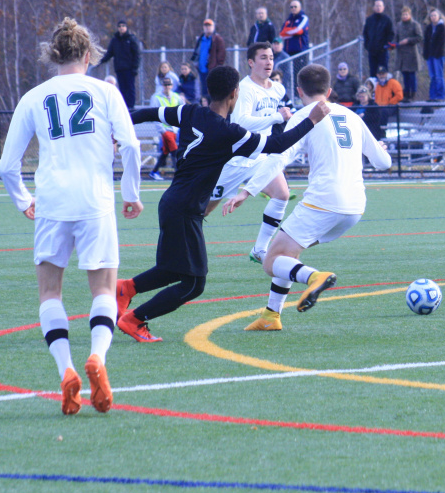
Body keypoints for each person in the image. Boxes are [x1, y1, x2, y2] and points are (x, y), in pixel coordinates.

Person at [115, 66, 330, 342]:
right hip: (184, 209)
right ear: (234, 94)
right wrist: (311, 120)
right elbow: (276, 144)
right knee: (194, 283)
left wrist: (117, 128)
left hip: (174, 203)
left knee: (174, 269)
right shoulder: (230, 133)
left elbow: (147, 113)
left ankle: (126, 289)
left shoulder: (189, 111)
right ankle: (135, 320)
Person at [0, 17, 143, 414]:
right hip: (95, 200)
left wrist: (23, 199)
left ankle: (66, 370)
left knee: (50, 294)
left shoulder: (34, 97)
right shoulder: (104, 91)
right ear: (90, 55)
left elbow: (7, 164)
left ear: (53, 56)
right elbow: (130, 145)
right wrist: (131, 193)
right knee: (102, 291)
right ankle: (98, 357)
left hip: (52, 202)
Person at [220, 64, 393, 330]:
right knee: (288, 253)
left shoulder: (304, 115)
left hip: (324, 202)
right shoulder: (351, 115)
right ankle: (270, 316)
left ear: (299, 91)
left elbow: (278, 159)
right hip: (355, 207)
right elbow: (383, 163)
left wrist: (247, 190)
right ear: (330, 90)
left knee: (271, 261)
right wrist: (380, 148)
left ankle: (315, 277)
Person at [203, 42, 295, 263]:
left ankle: (260, 249)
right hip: (238, 157)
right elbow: (240, 122)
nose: (269, 62)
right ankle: (181, 236)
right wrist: (276, 117)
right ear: (251, 62)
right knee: (204, 208)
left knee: (282, 194)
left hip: (262, 155)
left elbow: (282, 117)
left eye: (271, 57)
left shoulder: (277, 88)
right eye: (263, 57)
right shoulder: (244, 88)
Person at [99, 20, 141, 108]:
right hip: (119, 68)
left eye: (123, 26)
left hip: (129, 69)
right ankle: (124, 106)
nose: (121, 28)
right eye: (119, 26)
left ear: (126, 27)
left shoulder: (131, 39)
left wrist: (135, 68)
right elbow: (110, 53)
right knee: (122, 88)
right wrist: (100, 60)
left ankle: (131, 107)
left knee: (130, 88)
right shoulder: (115, 40)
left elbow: (137, 54)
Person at [148, 77, 183, 180]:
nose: (167, 87)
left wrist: (178, 126)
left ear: (172, 86)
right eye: (165, 85)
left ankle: (154, 171)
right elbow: (154, 114)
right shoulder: (156, 97)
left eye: (169, 85)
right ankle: (178, 173)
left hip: (174, 128)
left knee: (166, 151)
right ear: (162, 86)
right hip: (164, 129)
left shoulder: (176, 97)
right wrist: (161, 130)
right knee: (174, 149)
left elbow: (183, 110)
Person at [190, 19, 226, 101]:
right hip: (202, 69)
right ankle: (205, 108)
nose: (207, 28)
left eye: (209, 25)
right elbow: (197, 52)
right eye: (206, 26)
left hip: (212, 69)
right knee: (204, 90)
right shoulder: (201, 38)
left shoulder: (217, 39)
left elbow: (222, 54)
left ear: (213, 27)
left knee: (213, 89)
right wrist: (196, 63)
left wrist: (218, 67)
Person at [280, 0, 310, 96]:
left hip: (300, 51)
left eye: (295, 7)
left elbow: (299, 30)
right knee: (289, 75)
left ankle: (300, 95)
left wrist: (288, 31)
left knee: (300, 74)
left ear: (300, 7)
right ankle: (291, 95)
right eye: (291, 7)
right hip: (288, 52)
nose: (293, 9)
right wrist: (292, 32)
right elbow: (281, 34)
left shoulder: (303, 18)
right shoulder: (288, 20)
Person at [395, 6, 423, 102]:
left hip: (411, 55)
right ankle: (406, 94)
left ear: (410, 15)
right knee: (405, 75)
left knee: (412, 76)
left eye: (406, 14)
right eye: (403, 14)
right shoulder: (399, 25)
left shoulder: (415, 25)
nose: (405, 16)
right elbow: (396, 37)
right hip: (402, 54)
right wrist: (394, 44)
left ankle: (412, 95)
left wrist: (408, 40)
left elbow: (419, 37)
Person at [363, 0, 394, 77]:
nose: (378, 7)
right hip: (372, 51)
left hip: (382, 51)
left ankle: (384, 88)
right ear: (374, 7)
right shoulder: (369, 20)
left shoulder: (387, 20)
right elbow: (365, 33)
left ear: (383, 7)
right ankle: (374, 89)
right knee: (373, 72)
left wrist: (386, 45)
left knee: (383, 71)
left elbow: (391, 33)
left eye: (380, 6)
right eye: (376, 6)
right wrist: (367, 46)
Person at [423, 8, 445, 102]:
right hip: (430, 55)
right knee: (432, 76)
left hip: (438, 55)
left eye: (435, 15)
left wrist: (437, 53)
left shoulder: (442, 27)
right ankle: (432, 96)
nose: (433, 17)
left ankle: (440, 96)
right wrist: (426, 53)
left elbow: (441, 42)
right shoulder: (429, 28)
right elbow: (426, 41)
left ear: (439, 16)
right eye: (431, 16)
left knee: (439, 75)